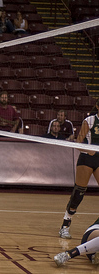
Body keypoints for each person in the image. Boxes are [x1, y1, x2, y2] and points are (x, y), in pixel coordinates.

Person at [58, 99, 99, 240]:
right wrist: (89, 150)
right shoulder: (90, 121)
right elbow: (78, 143)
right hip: (87, 158)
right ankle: (65, 225)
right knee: (79, 192)